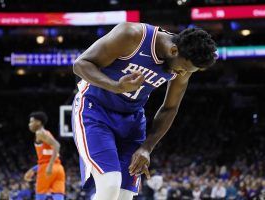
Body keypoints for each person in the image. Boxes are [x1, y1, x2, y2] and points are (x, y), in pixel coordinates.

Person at [72, 22, 217, 200]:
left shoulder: (184, 62)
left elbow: (170, 108)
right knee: (110, 185)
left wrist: (147, 147)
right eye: (182, 69)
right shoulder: (131, 35)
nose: (182, 74)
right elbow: (80, 64)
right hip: (95, 110)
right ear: (173, 51)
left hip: (132, 120)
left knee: (124, 196)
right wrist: (116, 86)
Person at [24, 111, 65, 200]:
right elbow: (50, 154)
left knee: (40, 196)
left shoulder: (39, 133)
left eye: (31, 122)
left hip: (47, 167)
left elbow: (57, 145)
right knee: (58, 196)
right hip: (59, 168)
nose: (29, 124)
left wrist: (49, 166)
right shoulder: (47, 133)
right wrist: (34, 169)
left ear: (38, 122)